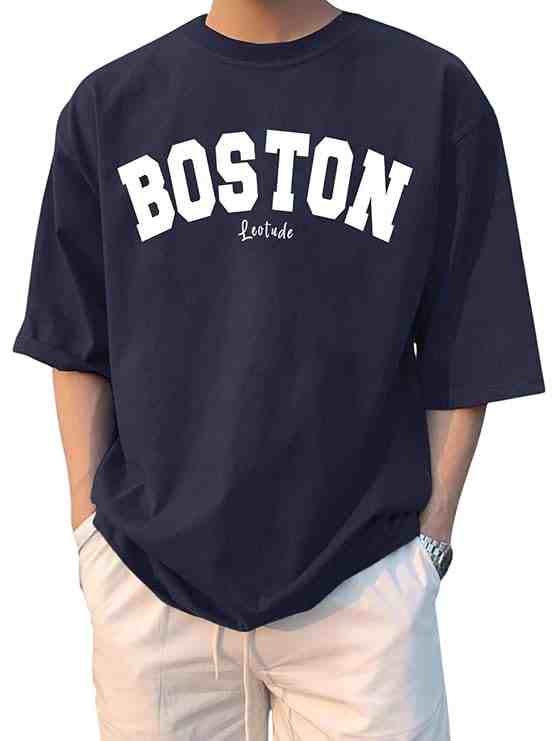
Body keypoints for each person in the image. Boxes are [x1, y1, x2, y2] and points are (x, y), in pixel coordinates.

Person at [13, 1, 544, 739]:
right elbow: (75, 337)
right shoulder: (111, 105)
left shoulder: (432, 94)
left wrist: (428, 546)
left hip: (362, 589)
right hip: (150, 586)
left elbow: (470, 344)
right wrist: (89, 536)